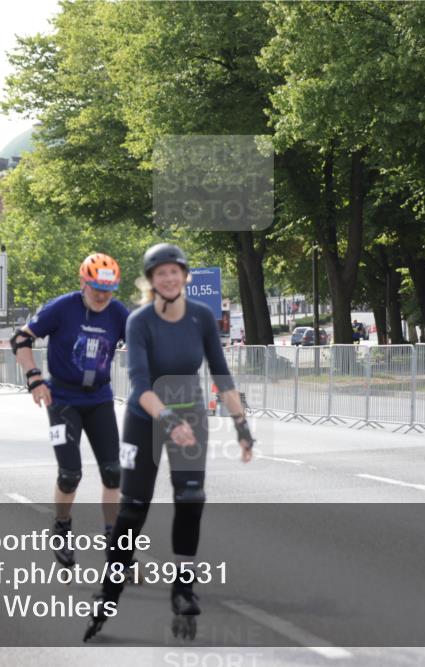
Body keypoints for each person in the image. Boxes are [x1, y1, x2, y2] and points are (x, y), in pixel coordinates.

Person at [84, 243, 255, 642]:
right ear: (151, 280)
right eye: (160, 273)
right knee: (133, 510)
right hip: (146, 418)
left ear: (184, 275)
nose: (168, 278)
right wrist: (168, 419)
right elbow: (141, 386)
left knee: (192, 499)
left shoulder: (200, 318)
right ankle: (109, 592)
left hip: (191, 414)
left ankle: (183, 585)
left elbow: (221, 373)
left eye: (174, 271)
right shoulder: (140, 322)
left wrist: (242, 426)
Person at [12, 253, 130, 569]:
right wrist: (34, 378)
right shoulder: (62, 308)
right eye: (96, 289)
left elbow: (142, 348)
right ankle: (62, 526)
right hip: (61, 400)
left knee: (113, 471)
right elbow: (21, 339)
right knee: (70, 474)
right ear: (83, 283)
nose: (103, 296)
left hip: (100, 399)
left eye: (109, 290)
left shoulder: (118, 313)